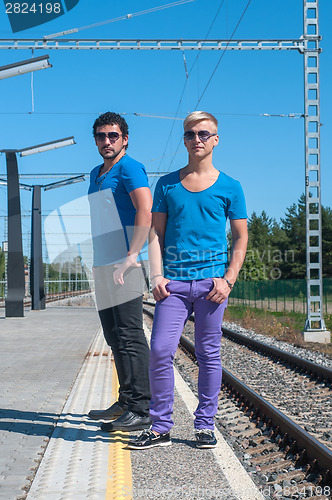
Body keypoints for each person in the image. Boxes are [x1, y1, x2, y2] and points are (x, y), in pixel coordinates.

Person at [128, 111, 248, 449]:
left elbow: (240, 238)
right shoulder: (166, 184)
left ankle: (205, 425)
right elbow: (155, 233)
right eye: (191, 134)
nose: (197, 139)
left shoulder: (230, 187)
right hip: (175, 286)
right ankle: (161, 426)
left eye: (204, 133)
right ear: (184, 140)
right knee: (161, 349)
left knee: (209, 355)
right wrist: (156, 275)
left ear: (215, 139)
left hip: (212, 286)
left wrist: (228, 280)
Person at [88, 112, 152, 432]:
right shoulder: (96, 173)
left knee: (129, 334)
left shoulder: (130, 167)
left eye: (113, 136)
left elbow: (145, 209)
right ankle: (126, 400)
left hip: (124, 265)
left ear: (125, 138)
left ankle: (141, 407)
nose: (107, 141)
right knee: (114, 336)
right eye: (101, 136)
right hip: (103, 265)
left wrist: (132, 254)